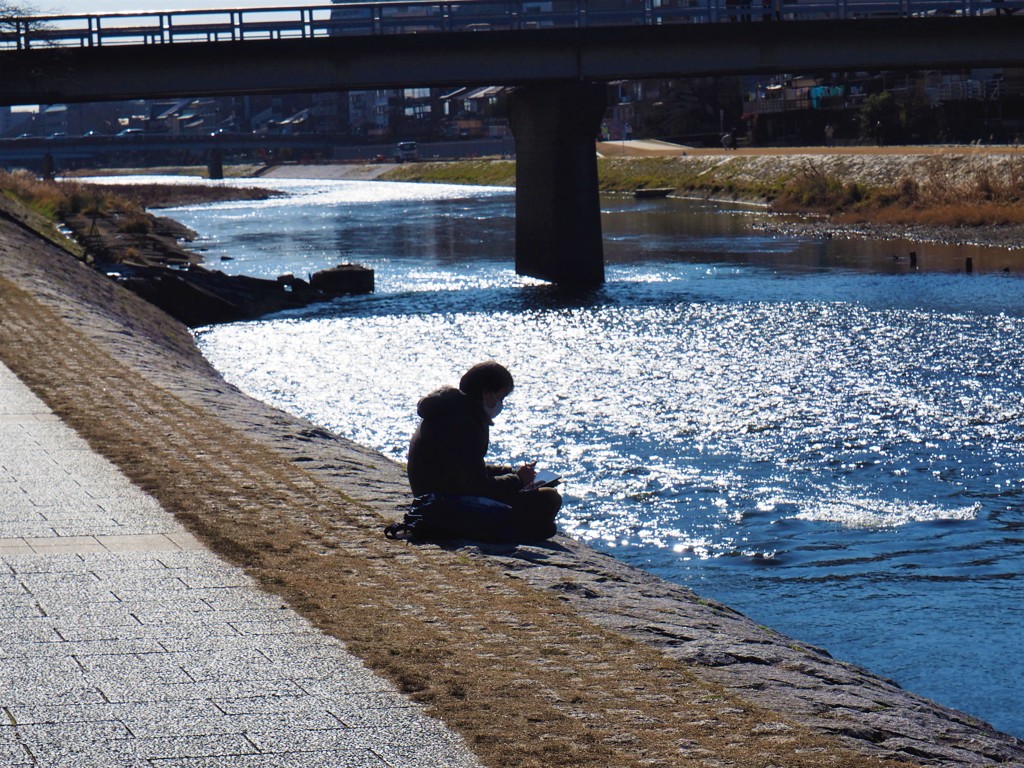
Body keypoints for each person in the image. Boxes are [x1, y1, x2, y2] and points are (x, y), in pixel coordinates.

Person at [405, 361, 561, 542]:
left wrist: (510, 472)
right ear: (487, 393)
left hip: (435, 495)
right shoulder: (465, 423)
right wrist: (518, 480)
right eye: (501, 397)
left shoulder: (451, 410)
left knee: (539, 510)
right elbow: (475, 485)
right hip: (446, 504)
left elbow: (465, 468)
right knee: (548, 501)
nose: (501, 404)